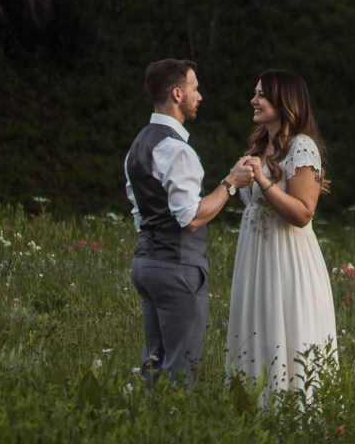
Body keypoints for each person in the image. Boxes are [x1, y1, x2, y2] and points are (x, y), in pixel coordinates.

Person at [125, 58, 252, 386]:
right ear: (177, 94)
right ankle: (173, 429)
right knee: (181, 369)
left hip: (145, 263)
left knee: (154, 365)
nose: (200, 97)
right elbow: (191, 218)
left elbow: (140, 213)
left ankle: (145, 426)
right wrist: (230, 182)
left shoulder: (138, 145)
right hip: (176, 268)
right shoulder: (176, 150)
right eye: (195, 89)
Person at [225, 69, 338, 399]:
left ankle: (291, 409)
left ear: (283, 101)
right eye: (255, 93)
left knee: (285, 325)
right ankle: (251, 403)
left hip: (286, 258)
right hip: (255, 259)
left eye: (261, 94)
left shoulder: (302, 148)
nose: (253, 100)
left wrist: (262, 180)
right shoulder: (260, 146)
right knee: (257, 325)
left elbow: (303, 213)